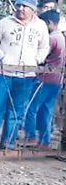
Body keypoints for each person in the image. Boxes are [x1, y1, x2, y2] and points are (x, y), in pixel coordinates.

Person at [0, 0, 50, 150]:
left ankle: (8, 142)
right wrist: (1, 57)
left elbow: (44, 47)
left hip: (27, 75)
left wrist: (37, 60)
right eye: (19, 5)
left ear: (33, 10)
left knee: (17, 110)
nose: (20, 9)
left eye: (25, 6)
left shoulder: (40, 26)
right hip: (5, 73)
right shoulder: (5, 22)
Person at [23, 9, 65, 148]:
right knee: (46, 109)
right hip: (57, 79)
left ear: (50, 23)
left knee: (31, 108)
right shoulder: (61, 38)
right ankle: (44, 140)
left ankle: (31, 136)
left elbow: (40, 57)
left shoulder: (52, 39)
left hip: (45, 79)